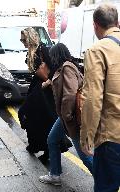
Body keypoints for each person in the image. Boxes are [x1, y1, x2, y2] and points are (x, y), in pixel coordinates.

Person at [39, 43, 93, 186]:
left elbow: (70, 93)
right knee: (52, 140)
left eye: (52, 55)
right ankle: (55, 175)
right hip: (65, 116)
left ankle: (104, 181)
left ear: (57, 55)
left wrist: (67, 116)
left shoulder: (67, 67)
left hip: (71, 117)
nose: (51, 58)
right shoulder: (64, 67)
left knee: (85, 155)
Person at [80, 4, 120, 191]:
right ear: (117, 22)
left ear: (95, 26)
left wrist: (86, 136)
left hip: (111, 137)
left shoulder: (98, 50)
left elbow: (92, 99)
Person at [18, 27, 57, 163]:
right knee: (29, 115)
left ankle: (47, 151)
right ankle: (34, 145)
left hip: (44, 90)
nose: (22, 41)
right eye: (21, 39)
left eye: (23, 39)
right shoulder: (31, 51)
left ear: (30, 38)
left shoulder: (43, 49)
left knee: (44, 119)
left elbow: (53, 67)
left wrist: (48, 81)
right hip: (36, 87)